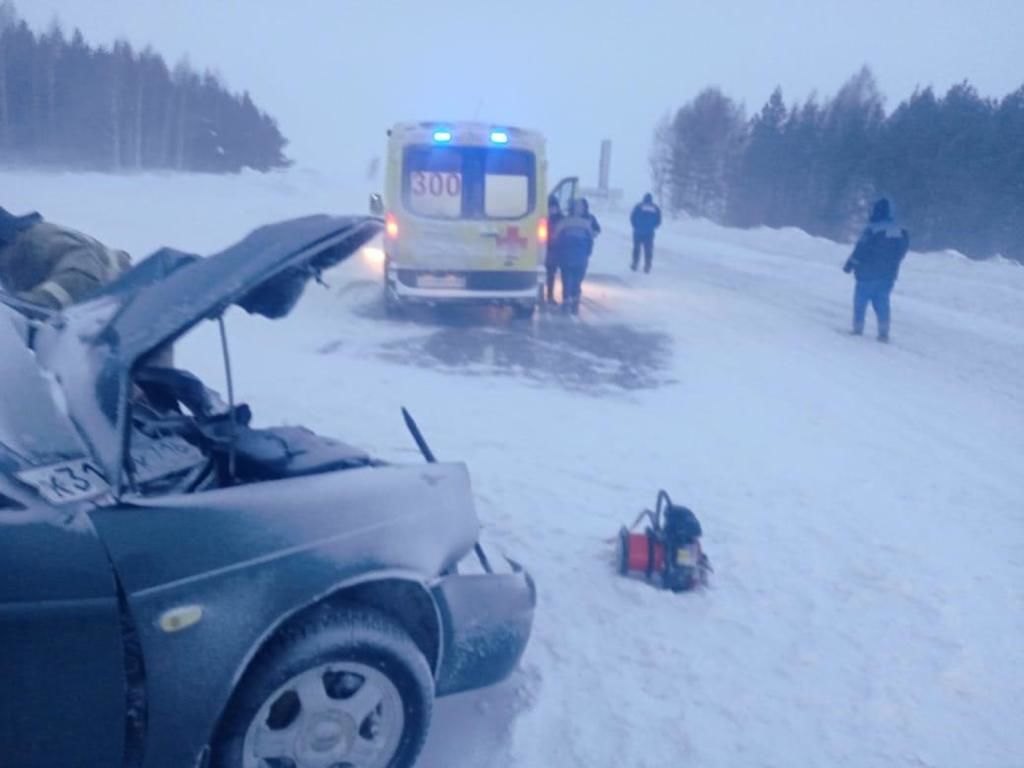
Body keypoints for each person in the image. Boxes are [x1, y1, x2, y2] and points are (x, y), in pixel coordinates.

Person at [0, 206, 131, 310]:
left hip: (126, 297)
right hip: (101, 311)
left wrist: (39, 301)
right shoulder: (13, 257)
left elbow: (82, 274)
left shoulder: (40, 238)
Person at [843, 197, 910, 343]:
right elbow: (903, 250)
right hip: (888, 274)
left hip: (867, 273)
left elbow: (861, 249)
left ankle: (858, 329)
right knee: (882, 303)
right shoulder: (901, 230)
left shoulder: (872, 230)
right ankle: (883, 333)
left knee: (861, 302)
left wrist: (850, 264)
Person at [552, 199, 596, 316]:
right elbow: (591, 240)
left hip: (566, 255)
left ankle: (567, 299)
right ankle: (575, 300)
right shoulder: (586, 223)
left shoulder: (563, 222)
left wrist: (558, 252)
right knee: (577, 278)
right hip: (581, 256)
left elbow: (555, 238)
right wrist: (588, 253)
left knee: (566, 278)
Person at [629, 193, 662, 273]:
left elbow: (632, 217)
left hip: (638, 232)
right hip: (649, 233)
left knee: (636, 249)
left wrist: (635, 226)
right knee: (648, 250)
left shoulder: (639, 206)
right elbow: (659, 220)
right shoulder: (655, 208)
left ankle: (635, 264)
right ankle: (647, 266)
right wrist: (653, 227)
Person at [544, 195, 564, 305]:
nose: (551, 210)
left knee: (551, 274)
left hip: (556, 251)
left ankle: (550, 296)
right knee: (547, 275)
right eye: (549, 207)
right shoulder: (543, 218)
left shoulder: (561, 219)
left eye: (553, 207)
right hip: (544, 250)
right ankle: (548, 296)